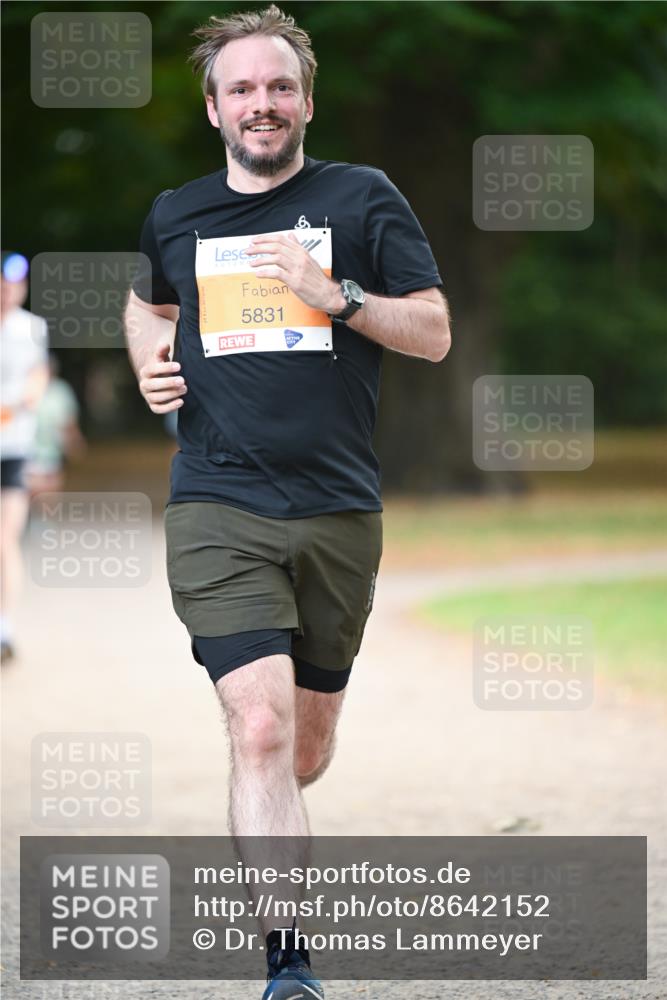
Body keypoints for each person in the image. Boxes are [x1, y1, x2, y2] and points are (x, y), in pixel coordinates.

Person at [124, 6, 450, 997]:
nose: (260, 104)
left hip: (339, 508)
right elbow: (148, 301)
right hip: (217, 501)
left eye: (278, 87)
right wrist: (148, 362)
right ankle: (289, 965)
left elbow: (432, 330)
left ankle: (262, 803)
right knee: (258, 728)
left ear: (305, 99)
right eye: (240, 89)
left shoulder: (362, 197)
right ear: (212, 105)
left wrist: (334, 292)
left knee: (303, 745)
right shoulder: (175, 212)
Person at [0, 252, 49, 663]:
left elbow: (37, 379)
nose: (9, 291)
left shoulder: (32, 328)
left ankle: (4, 625)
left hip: (12, 449)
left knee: (6, 537)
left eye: (15, 285)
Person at [26, 353, 86, 496]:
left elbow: (69, 422)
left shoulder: (60, 391)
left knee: (48, 495)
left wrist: (74, 443)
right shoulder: (24, 388)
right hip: (27, 453)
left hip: (51, 453)